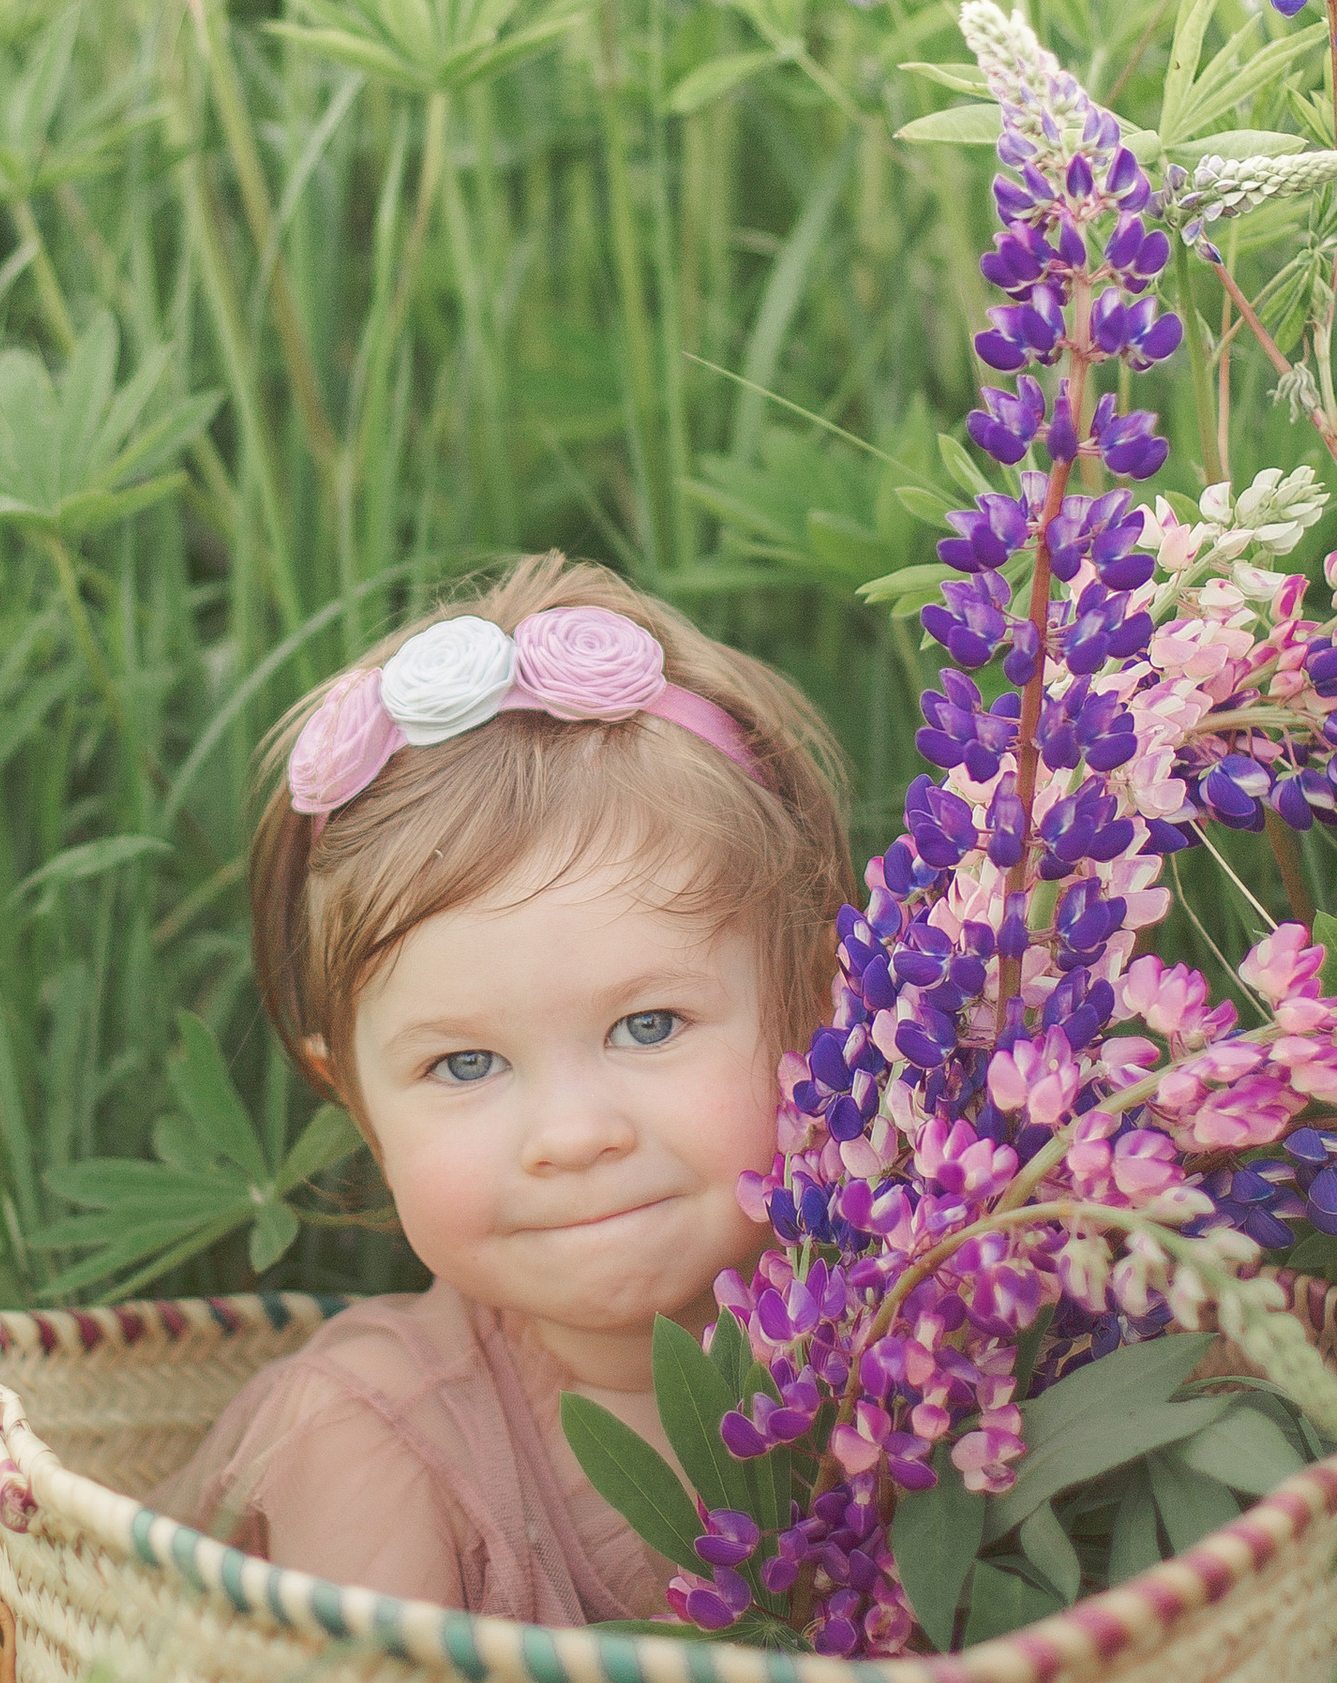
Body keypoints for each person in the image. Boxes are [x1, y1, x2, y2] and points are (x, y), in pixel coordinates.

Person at [161, 556, 851, 1626]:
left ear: (816, 1008)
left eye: (648, 1025)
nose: (571, 1135)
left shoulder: (916, 1342)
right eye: (465, 1065)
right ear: (357, 1104)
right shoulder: (369, 1448)